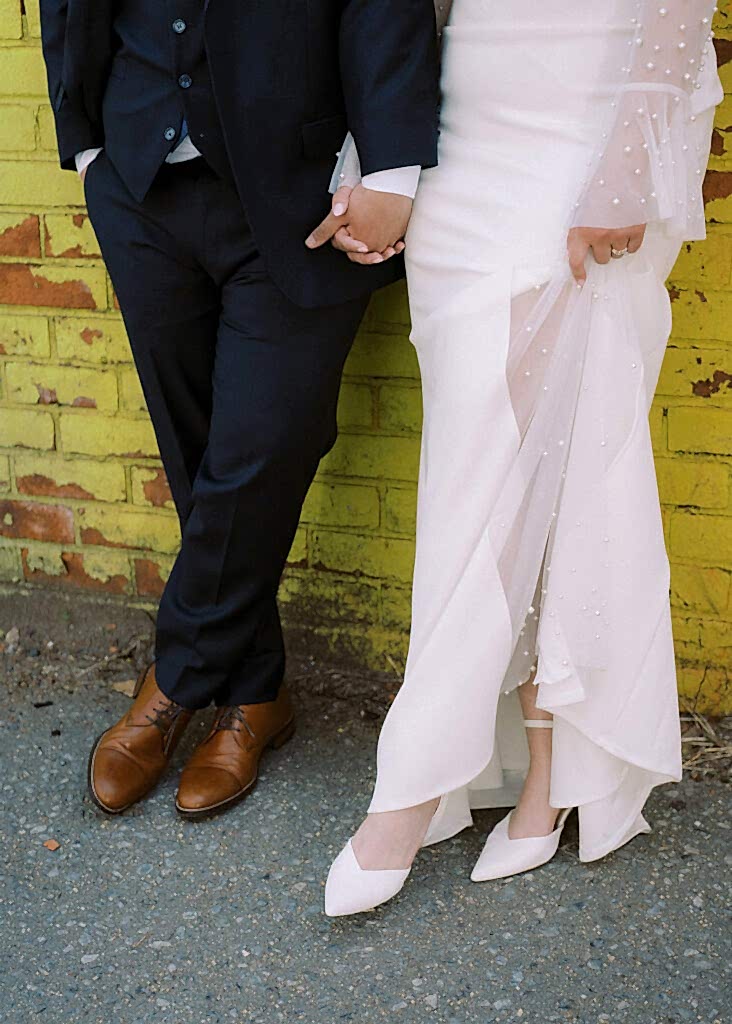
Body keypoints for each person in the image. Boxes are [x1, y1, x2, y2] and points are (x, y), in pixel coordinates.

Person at [311, 0, 723, 916]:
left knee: (525, 475)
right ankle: (534, 766)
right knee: (485, 471)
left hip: (579, 141)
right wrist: (372, 159)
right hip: (466, 149)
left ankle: (415, 790)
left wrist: (627, 168)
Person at [39, 0, 439, 818]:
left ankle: (174, 681)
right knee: (195, 448)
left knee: (265, 443)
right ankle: (257, 694)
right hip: (138, 175)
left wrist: (393, 170)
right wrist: (84, 143)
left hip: (302, 187)